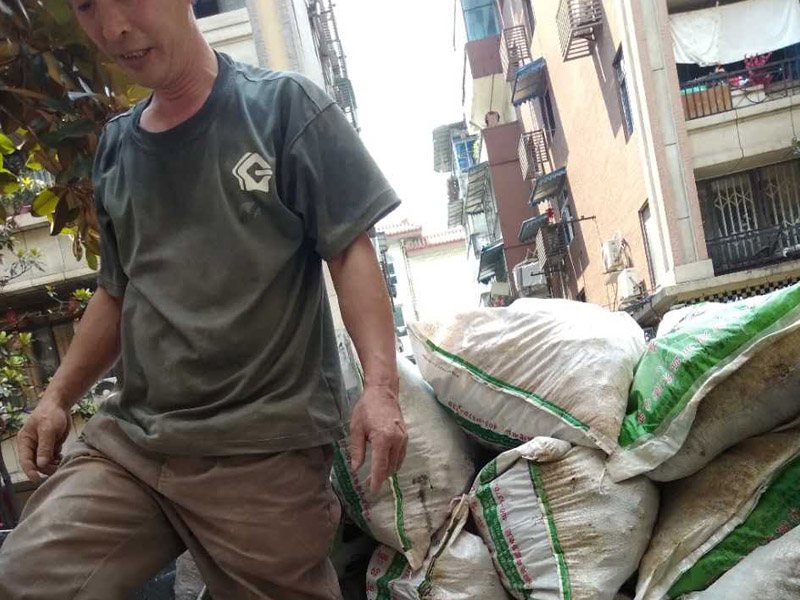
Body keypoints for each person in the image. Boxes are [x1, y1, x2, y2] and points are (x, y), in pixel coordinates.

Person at [0, 1, 408, 598]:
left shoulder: (284, 109)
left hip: (261, 449)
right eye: (87, 6)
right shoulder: (116, 148)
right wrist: (56, 397)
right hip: (135, 444)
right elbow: (116, 292)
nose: (113, 28)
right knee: (21, 579)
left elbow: (349, 252)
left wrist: (380, 388)